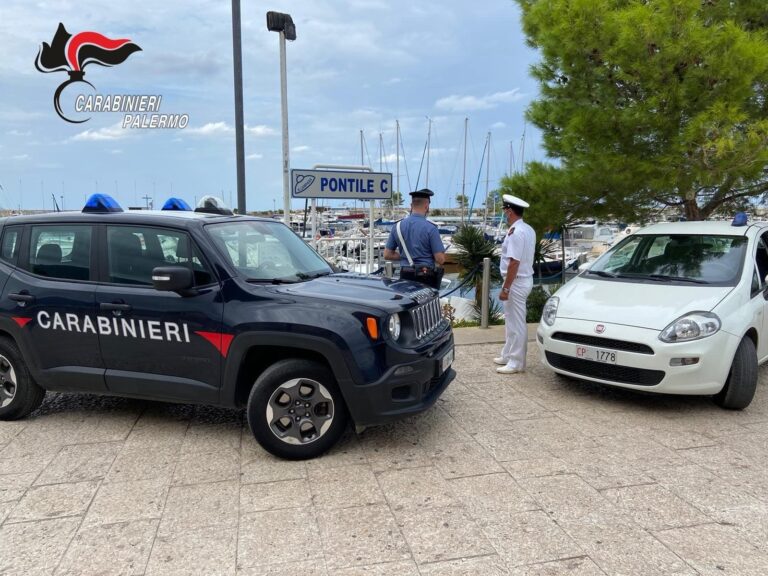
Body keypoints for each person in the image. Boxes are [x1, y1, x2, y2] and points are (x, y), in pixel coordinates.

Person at [495, 194, 536, 374]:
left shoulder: (516, 232)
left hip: (516, 282)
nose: (504, 214)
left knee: (517, 322)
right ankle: (508, 354)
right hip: (522, 280)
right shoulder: (527, 229)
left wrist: (506, 288)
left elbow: (514, 262)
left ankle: (516, 362)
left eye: (504, 211)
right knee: (510, 321)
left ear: (509, 211)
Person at [384, 188, 446, 288]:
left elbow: (387, 255)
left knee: (407, 302)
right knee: (425, 303)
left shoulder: (398, 226)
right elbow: (440, 259)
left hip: (405, 273)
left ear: (411, 206)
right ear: (427, 206)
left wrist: (406, 257)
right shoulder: (431, 228)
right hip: (426, 275)